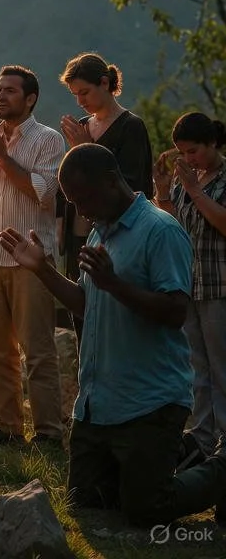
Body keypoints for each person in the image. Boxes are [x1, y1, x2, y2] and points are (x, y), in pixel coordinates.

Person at [0, 143, 226, 527]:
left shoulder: (160, 230)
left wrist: (113, 283)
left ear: (110, 182)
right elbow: (89, 303)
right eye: (72, 201)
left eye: (83, 197)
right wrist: (43, 270)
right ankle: (164, 462)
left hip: (148, 401)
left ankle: (220, 468)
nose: (79, 210)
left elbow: (174, 312)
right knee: (88, 506)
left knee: (146, 509)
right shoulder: (99, 232)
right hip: (98, 406)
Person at [0, 65, 64, 446]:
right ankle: (6, 427)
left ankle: (49, 432)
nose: (1, 96)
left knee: (37, 350)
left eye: (10, 91)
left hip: (31, 259)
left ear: (30, 98)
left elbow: (43, 192)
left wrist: (1, 156)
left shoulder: (48, 140)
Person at [58, 54, 153, 328]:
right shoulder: (83, 125)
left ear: (104, 83)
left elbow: (132, 184)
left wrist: (86, 148)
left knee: (113, 312)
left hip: (117, 237)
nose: (80, 101)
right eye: (75, 94)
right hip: (80, 234)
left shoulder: (129, 126)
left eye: (85, 92)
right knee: (81, 310)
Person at [154, 112, 226, 468]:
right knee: (197, 367)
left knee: (221, 366)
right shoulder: (188, 179)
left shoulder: (220, 179)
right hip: (189, 284)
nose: (188, 159)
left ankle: (223, 445)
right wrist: (165, 193)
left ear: (213, 143)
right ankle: (202, 437)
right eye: (182, 152)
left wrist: (195, 191)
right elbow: (173, 226)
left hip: (219, 285)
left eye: (194, 151)